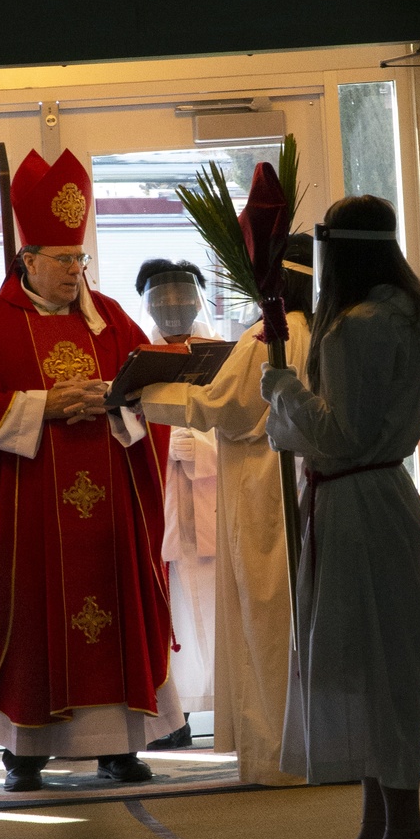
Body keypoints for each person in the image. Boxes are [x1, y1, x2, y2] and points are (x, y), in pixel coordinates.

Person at [260, 196, 420, 839]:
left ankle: (401, 827)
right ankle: (381, 826)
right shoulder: (419, 315)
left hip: (355, 507)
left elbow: (340, 434)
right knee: (385, 666)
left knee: (370, 664)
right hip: (388, 498)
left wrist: (282, 389)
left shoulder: (351, 330)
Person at [0, 147, 183, 791]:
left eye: (80, 258)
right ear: (27, 260)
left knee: (115, 608)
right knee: (33, 617)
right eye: (63, 260)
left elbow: (153, 391)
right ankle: (26, 751)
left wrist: (117, 401)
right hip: (29, 508)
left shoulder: (113, 318)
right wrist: (38, 407)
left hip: (109, 510)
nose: (75, 271)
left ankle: (119, 746)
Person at [138, 233, 315, 786]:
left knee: (266, 617)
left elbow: (225, 408)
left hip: (262, 491)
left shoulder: (267, 338)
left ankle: (277, 757)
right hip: (305, 487)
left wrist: (133, 396)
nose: (174, 308)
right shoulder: (325, 330)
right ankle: (320, 746)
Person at [135, 260, 218, 749]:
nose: (174, 310)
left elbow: (245, 423)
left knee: (213, 601)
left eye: (183, 300)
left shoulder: (220, 354)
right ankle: (173, 716)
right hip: (161, 497)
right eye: (162, 301)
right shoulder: (137, 356)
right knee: (172, 612)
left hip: (208, 497)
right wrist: (166, 448)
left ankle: (224, 702)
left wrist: (200, 448)